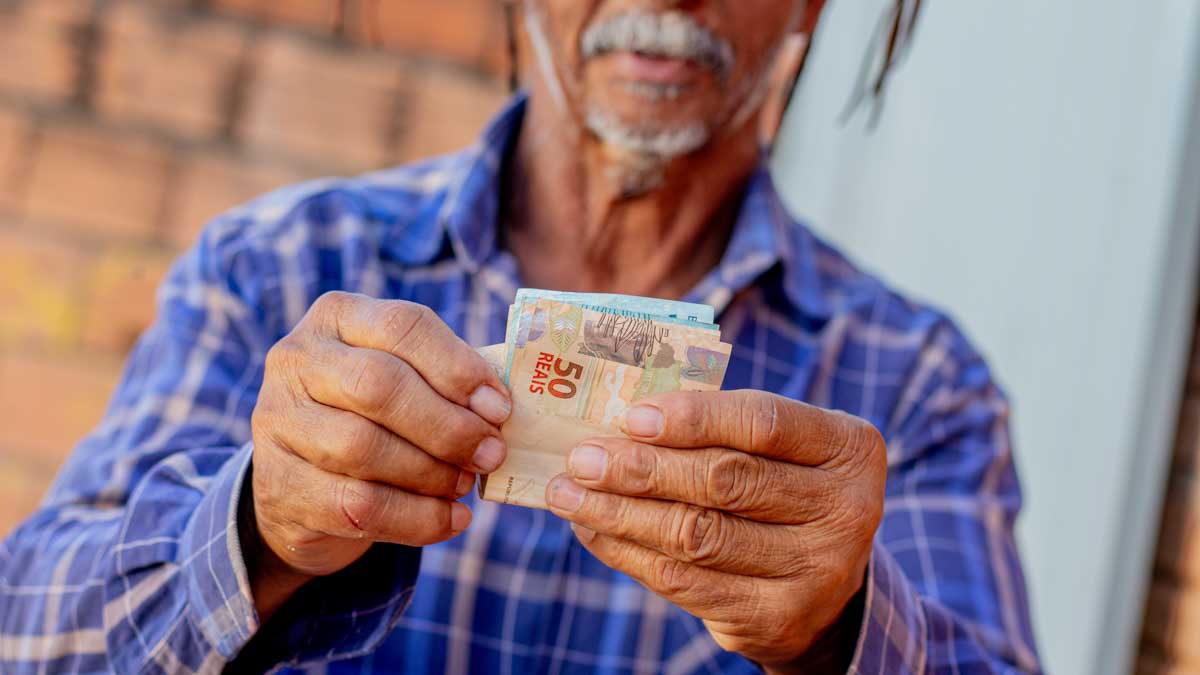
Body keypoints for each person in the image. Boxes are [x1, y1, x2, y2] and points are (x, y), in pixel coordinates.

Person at [0, 1, 1042, 673]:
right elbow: (29, 636)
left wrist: (841, 631)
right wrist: (253, 532)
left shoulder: (916, 388)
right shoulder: (276, 267)